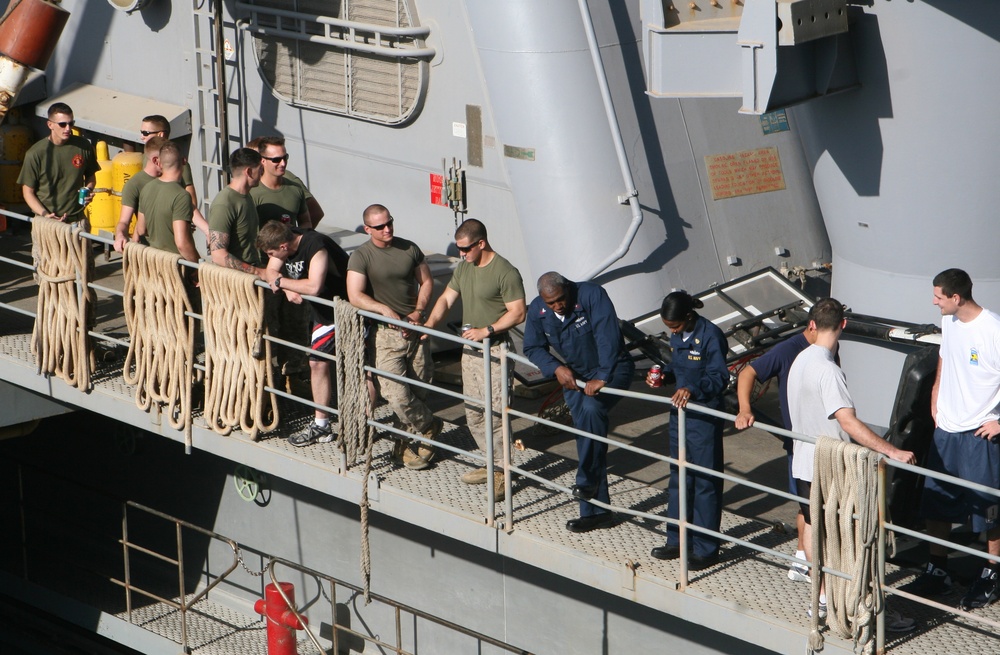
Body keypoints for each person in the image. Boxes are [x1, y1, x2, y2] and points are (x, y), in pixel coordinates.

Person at [787, 298, 916, 617]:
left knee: (822, 534)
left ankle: (821, 600)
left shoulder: (800, 359)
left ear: (813, 325)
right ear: (843, 325)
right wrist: (891, 450)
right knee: (854, 540)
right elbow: (847, 421)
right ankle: (864, 607)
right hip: (831, 470)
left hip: (804, 464)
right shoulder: (828, 371)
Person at [915, 268, 1000, 610]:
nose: (934, 302)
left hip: (979, 436)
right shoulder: (949, 322)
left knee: (989, 513)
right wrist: (936, 389)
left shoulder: (993, 330)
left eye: (939, 296)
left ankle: (992, 574)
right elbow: (944, 355)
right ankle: (938, 569)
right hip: (946, 432)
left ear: (956, 298)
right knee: (936, 504)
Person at [523, 272, 634, 533]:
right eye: (551, 303)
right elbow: (532, 347)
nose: (557, 306)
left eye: (561, 300)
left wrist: (603, 377)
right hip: (574, 377)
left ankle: (587, 484)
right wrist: (555, 368)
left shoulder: (591, 295)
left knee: (592, 409)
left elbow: (609, 338)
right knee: (585, 431)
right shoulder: (538, 310)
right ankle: (596, 511)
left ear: (568, 289)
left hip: (612, 369)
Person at [424, 219, 526, 500]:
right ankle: (491, 462)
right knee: (474, 412)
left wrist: (486, 330)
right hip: (470, 350)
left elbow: (518, 312)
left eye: (466, 249)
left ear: (481, 243)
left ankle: (503, 472)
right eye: (459, 249)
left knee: (495, 414)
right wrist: (429, 325)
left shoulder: (505, 271)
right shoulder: (466, 268)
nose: (461, 255)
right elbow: (446, 298)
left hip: (496, 350)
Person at [346, 204, 441, 470]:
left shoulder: (409, 248)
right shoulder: (361, 256)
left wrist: (419, 312)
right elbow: (355, 295)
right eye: (379, 226)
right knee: (396, 395)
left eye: (389, 223)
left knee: (418, 391)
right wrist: (384, 310)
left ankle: (404, 445)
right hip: (385, 335)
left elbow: (427, 282)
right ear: (367, 229)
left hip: (415, 331)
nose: (387, 229)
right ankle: (429, 426)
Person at [649, 292, 729, 568]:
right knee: (679, 477)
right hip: (680, 415)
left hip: (703, 417)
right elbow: (678, 367)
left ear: (688, 317)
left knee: (705, 482)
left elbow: (719, 376)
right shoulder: (677, 335)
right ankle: (677, 540)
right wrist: (663, 375)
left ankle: (706, 547)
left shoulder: (710, 336)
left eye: (676, 326)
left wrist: (692, 389)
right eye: (669, 327)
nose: (672, 331)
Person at [735, 321, 820, 581]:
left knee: (809, 505)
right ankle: (806, 565)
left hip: (817, 439)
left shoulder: (827, 346)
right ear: (814, 325)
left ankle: (800, 561)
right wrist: (745, 409)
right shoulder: (788, 350)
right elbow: (748, 372)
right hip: (800, 442)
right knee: (811, 507)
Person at [258, 221, 350, 447]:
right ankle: (322, 424)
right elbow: (270, 270)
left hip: (343, 309)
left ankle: (362, 422)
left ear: (283, 247)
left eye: (272, 253)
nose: (271, 257)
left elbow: (313, 287)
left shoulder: (315, 246)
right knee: (317, 363)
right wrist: (287, 288)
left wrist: (281, 282)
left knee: (357, 367)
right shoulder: (287, 242)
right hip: (322, 312)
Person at [18, 102, 100, 224]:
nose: (68, 128)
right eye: (62, 124)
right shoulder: (35, 153)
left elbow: (91, 176)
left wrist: (88, 190)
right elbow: (27, 192)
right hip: (46, 222)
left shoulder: (83, 146)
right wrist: (45, 215)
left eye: (71, 123)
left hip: (77, 220)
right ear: (50, 124)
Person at [138, 114, 207, 233]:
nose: (141, 137)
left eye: (145, 133)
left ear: (160, 134)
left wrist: (185, 220)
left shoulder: (177, 162)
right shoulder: (146, 157)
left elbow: (190, 201)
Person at [138, 141, 199, 263]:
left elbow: (141, 229)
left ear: (159, 163)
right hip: (175, 267)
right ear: (184, 161)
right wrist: (197, 267)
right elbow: (182, 244)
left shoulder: (147, 188)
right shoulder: (182, 196)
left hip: (153, 262)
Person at [208, 148, 265, 276]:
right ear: (249, 172)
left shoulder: (246, 196)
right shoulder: (224, 203)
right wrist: (256, 271)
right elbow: (218, 255)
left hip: (251, 275)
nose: (263, 173)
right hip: (237, 282)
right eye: (260, 169)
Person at [247, 136, 325, 228]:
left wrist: (297, 237)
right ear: (263, 161)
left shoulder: (295, 188)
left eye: (285, 157)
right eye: (276, 160)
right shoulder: (250, 192)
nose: (283, 163)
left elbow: (309, 219)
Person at [113, 136, 164, 252]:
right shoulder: (135, 184)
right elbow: (124, 221)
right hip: (149, 250)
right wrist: (120, 235)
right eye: (167, 160)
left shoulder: (172, 177)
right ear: (156, 160)